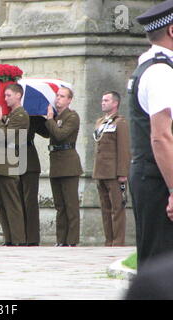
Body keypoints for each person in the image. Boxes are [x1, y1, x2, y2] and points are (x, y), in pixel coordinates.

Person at [127, 0, 173, 268]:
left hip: (153, 175)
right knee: (161, 266)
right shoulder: (160, 72)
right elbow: (161, 136)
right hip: (158, 178)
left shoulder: (155, 67)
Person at [0, 83, 29, 246]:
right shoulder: (11, 115)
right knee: (0, 204)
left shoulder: (20, 115)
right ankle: (9, 238)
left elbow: (6, 137)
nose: (5, 99)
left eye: (8, 95)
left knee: (11, 203)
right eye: (4, 96)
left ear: (18, 95)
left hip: (9, 162)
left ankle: (18, 239)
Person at [45, 87, 83, 247]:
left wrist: (49, 120)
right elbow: (49, 132)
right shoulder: (55, 117)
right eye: (57, 96)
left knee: (71, 204)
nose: (58, 99)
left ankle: (72, 240)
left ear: (69, 100)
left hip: (68, 163)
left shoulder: (72, 116)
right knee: (59, 205)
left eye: (62, 96)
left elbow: (60, 135)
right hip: (56, 163)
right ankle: (61, 239)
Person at [92, 91, 130, 246]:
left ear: (115, 103)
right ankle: (108, 240)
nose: (103, 102)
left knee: (117, 209)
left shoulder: (120, 123)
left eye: (106, 100)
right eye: (102, 100)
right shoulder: (100, 122)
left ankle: (118, 241)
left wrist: (122, 173)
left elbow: (124, 149)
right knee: (105, 209)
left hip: (114, 172)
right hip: (101, 171)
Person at [19, 116, 49, 246]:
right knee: (15, 202)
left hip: (29, 160)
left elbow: (47, 133)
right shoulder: (4, 114)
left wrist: (46, 118)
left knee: (29, 201)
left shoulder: (32, 116)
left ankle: (31, 238)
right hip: (10, 160)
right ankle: (18, 236)